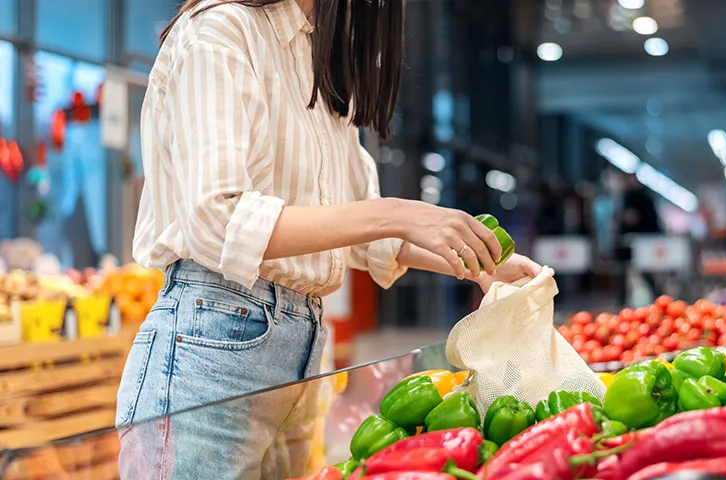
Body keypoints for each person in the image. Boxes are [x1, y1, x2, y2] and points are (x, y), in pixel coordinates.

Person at [116, 0, 541, 478]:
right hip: (212, 339)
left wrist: (481, 263)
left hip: (302, 347)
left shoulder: (318, 58)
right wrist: (395, 213)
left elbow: (367, 236)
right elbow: (218, 218)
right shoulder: (220, 29)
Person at [614, 173, 663, 305]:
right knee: (633, 271)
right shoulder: (635, 196)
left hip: (641, 241)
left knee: (643, 270)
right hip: (634, 242)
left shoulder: (636, 197)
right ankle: (657, 296)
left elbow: (631, 218)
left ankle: (657, 295)